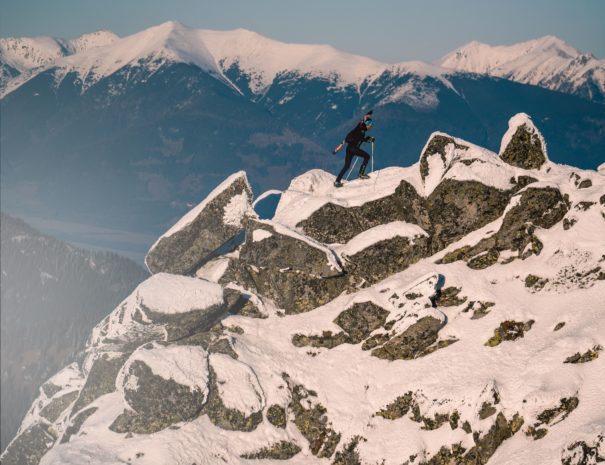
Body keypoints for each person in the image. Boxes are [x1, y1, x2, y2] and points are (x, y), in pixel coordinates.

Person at [332, 110, 375, 188]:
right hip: (353, 148)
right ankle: (361, 174)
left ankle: (337, 181)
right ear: (367, 125)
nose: (371, 127)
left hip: (349, 149)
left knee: (347, 166)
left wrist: (367, 116)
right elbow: (361, 137)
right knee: (367, 156)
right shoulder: (361, 129)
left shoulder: (361, 129)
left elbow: (360, 138)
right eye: (370, 125)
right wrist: (368, 139)